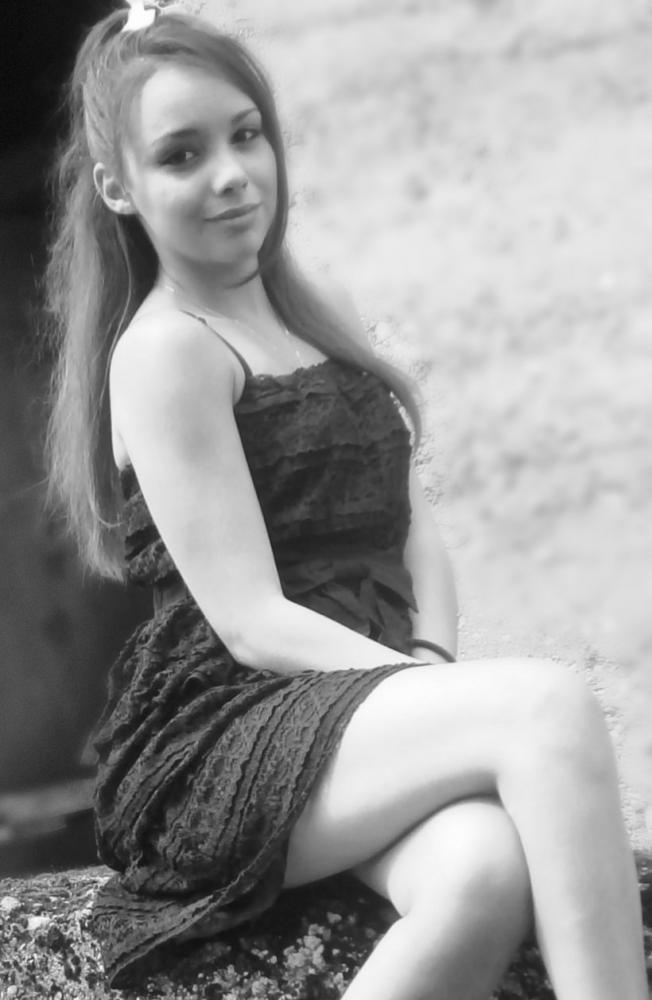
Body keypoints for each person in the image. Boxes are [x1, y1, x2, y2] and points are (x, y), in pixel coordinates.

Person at [42, 3, 648, 998]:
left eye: (246, 135)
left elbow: (415, 534)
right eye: (183, 155)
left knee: (481, 873)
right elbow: (252, 622)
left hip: (359, 704)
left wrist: (432, 668)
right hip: (228, 729)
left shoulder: (318, 308)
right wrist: (441, 702)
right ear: (118, 185)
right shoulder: (166, 351)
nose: (232, 174)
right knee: (548, 707)